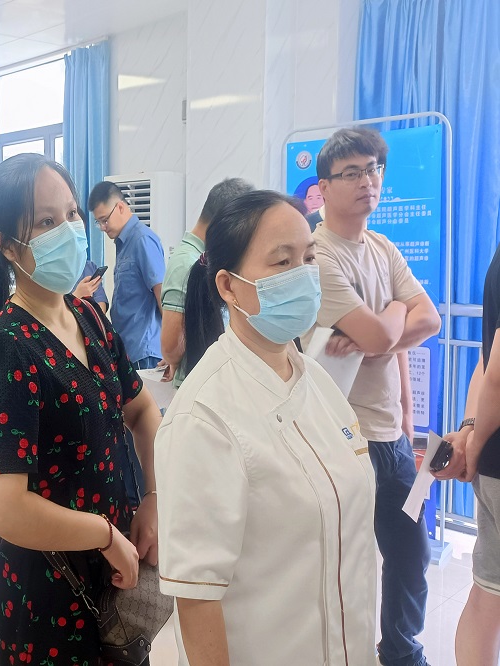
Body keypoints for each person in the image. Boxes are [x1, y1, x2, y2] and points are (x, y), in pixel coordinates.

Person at [155, 190, 377, 664]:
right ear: (228, 286)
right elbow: (196, 598)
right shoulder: (204, 416)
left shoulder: (318, 381)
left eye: (309, 258)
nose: (303, 274)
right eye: (282, 262)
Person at [0, 155, 161, 666]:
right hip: (49, 593)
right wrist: (104, 535)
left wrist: (152, 498)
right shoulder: (8, 348)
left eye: (72, 214)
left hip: (114, 571)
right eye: (46, 222)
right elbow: (3, 508)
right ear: (8, 246)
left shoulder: (88, 316)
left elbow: (142, 411)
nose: (70, 230)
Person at [309, 127, 441, 666]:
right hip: (342, 438)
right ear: (323, 186)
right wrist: (393, 317)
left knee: (411, 556)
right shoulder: (318, 254)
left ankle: (402, 653)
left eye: (373, 170)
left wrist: (380, 336)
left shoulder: (382, 247)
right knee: (348, 564)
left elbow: (430, 320)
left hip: (390, 437)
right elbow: (389, 331)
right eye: (352, 173)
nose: (368, 181)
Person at [432, 241, 500, 666]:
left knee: (487, 593)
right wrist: (472, 438)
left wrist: (471, 430)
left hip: (493, 463)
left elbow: (487, 358)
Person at [88, 181, 165, 504]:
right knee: (128, 432)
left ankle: (151, 500)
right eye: (98, 223)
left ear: (121, 207)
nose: (103, 228)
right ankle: (134, 500)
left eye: (105, 219)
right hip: (127, 351)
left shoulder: (143, 240)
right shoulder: (123, 243)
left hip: (144, 352)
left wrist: (171, 348)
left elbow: (162, 296)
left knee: (145, 432)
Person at [160, 177, 254, 386]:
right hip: (199, 384)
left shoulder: (207, 258)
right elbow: (171, 347)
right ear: (226, 222)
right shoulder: (186, 263)